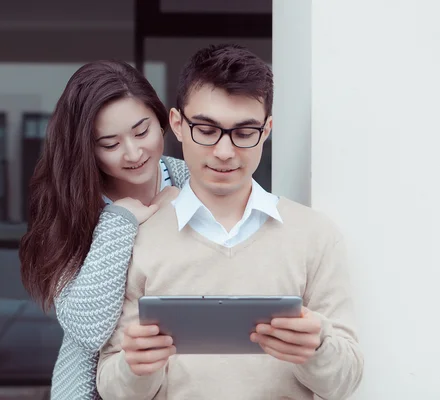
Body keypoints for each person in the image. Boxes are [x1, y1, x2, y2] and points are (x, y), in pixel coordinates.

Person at [97, 44, 364, 399]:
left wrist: (317, 349)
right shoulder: (137, 240)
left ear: (266, 130)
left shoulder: (315, 236)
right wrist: (136, 367)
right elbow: (112, 387)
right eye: (206, 130)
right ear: (177, 124)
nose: (224, 152)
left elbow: (345, 381)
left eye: (244, 133)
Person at [18, 60, 190, 400]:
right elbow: (86, 328)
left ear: (162, 121)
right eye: (110, 144)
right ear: (86, 149)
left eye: (142, 131)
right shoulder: (70, 205)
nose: (134, 153)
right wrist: (118, 222)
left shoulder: (191, 183)